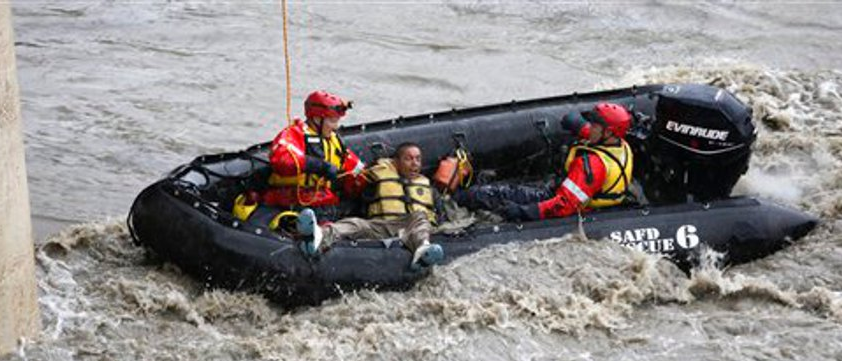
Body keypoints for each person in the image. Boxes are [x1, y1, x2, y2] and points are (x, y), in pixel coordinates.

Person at [455, 102, 633, 221]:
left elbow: (565, 205)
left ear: (608, 132)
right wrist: (578, 125)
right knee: (508, 185)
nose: (590, 128)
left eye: (595, 126)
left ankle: (453, 202)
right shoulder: (620, 145)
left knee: (483, 194)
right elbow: (592, 135)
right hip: (566, 189)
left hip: (558, 200)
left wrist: (526, 211)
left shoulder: (592, 165)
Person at [296, 142, 445, 270]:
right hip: (380, 226)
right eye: (408, 159)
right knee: (356, 224)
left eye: (418, 159)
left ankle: (423, 251)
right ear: (396, 162)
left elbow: (440, 214)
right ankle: (318, 237)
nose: (415, 164)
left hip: (411, 227)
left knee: (421, 217)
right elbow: (355, 201)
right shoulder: (377, 180)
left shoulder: (429, 187)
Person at [236, 90, 366, 225]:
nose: (336, 126)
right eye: (332, 121)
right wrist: (320, 166)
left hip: (323, 202)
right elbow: (282, 159)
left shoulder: (334, 140)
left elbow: (354, 167)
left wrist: (367, 178)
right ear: (316, 118)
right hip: (290, 200)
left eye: (337, 121)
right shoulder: (294, 134)